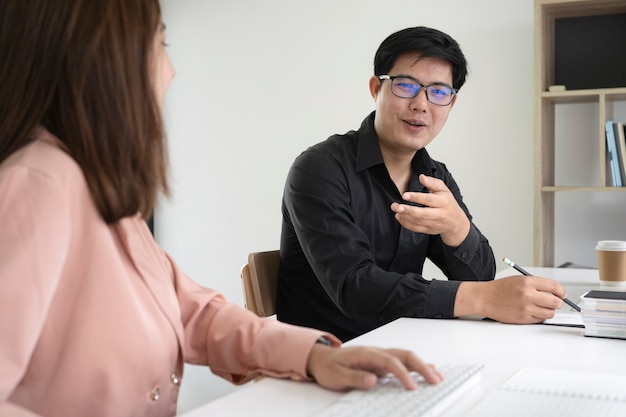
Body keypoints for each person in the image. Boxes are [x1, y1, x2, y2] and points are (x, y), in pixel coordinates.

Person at [0, 3, 443, 416]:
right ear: (103, 62)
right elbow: (357, 285)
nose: (170, 70)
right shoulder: (38, 184)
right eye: (160, 44)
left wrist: (316, 356)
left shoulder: (93, 185)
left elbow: (194, 313)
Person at [276, 26, 568, 342]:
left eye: (439, 92)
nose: (421, 104)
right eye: (406, 85)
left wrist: (458, 228)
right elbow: (355, 287)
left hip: (402, 347)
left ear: (451, 104)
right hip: (320, 361)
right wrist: (483, 298)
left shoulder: (434, 176)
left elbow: (482, 278)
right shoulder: (320, 169)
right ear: (376, 88)